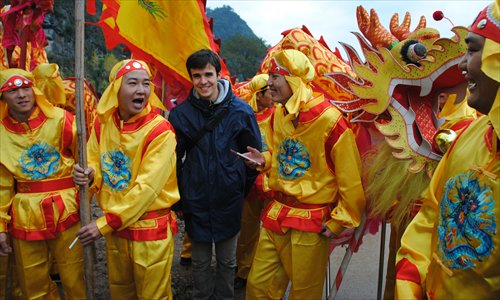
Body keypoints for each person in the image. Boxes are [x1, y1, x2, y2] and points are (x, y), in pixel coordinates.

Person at [395, 1, 500, 298]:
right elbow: (431, 213)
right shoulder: (469, 137)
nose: (463, 65)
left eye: (473, 50)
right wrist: (409, 280)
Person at [244, 49, 366, 299]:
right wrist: (264, 160)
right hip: (276, 213)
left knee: (304, 293)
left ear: (295, 80)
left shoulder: (330, 120)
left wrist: (339, 220)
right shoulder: (279, 114)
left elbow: (350, 177)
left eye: (276, 76)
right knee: (258, 287)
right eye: (269, 75)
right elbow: (280, 155)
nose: (269, 83)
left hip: (310, 221)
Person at [73, 59, 180, 299]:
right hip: (117, 231)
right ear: (116, 89)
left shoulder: (160, 131)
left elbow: (148, 188)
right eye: (133, 83)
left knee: (153, 295)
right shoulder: (102, 125)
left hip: (148, 230)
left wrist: (104, 224)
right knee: (120, 291)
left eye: (146, 84)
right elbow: (94, 162)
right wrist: (88, 175)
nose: (141, 90)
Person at [168, 49, 261, 300]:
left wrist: (238, 185)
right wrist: (178, 198)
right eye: (196, 76)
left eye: (208, 74)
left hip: (228, 197)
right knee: (198, 261)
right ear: (191, 78)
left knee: (227, 261)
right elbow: (173, 160)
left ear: (219, 74)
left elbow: (253, 156)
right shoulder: (180, 115)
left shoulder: (241, 112)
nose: (203, 81)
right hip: (196, 196)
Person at [0, 68, 85, 299]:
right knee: (32, 282)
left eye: (26, 88)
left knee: (74, 276)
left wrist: (88, 176)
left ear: (34, 90)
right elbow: (3, 186)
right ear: (3, 98)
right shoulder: (0, 134)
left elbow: (88, 158)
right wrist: (1, 226)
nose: (21, 95)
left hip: (67, 208)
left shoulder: (63, 120)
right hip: (25, 214)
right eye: (12, 90)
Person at [234, 73, 275, 289]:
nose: (273, 94)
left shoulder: (279, 115)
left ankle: (263, 272)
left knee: (270, 232)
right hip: (249, 180)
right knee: (248, 228)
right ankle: (243, 269)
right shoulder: (244, 115)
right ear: (259, 96)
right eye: (269, 91)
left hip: (272, 180)